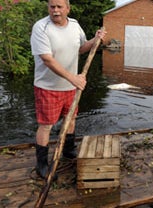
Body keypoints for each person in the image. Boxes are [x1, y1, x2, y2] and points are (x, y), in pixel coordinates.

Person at [30, 0, 106, 179]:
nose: (55, 11)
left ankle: (68, 150)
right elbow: (47, 59)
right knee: (46, 126)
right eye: (52, 7)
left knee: (71, 119)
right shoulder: (41, 27)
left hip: (71, 86)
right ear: (48, 8)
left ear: (67, 9)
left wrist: (96, 39)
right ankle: (42, 164)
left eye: (59, 7)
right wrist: (73, 77)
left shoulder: (74, 25)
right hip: (48, 87)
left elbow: (80, 48)